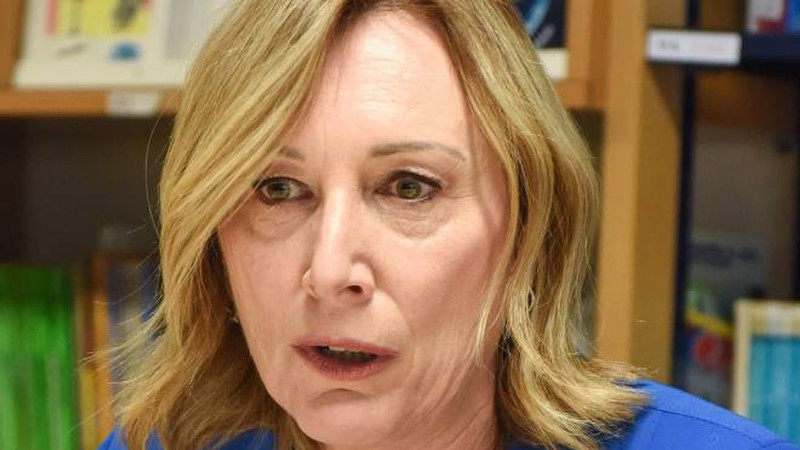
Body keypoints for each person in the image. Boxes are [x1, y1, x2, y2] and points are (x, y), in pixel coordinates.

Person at [100, 1, 799, 449]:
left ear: (527, 233)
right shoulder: (165, 441)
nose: (331, 270)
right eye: (277, 189)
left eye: (409, 187)